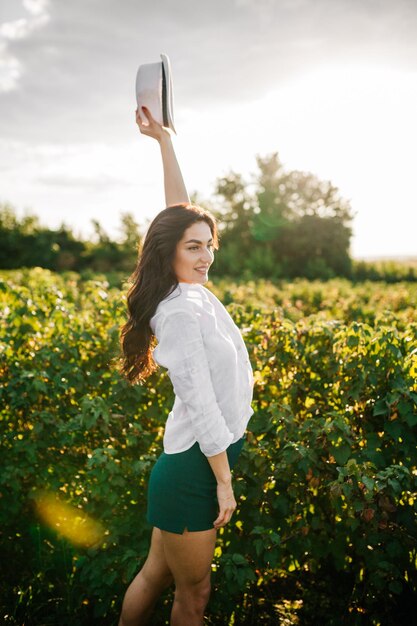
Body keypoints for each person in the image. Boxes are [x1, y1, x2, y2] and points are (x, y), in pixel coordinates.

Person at [117, 106, 255, 626]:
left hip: (196, 462)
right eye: (194, 247)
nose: (206, 257)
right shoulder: (175, 311)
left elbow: (177, 210)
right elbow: (199, 404)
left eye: (209, 246)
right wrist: (223, 480)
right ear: (169, 252)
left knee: (156, 576)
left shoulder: (186, 289)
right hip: (195, 470)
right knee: (193, 596)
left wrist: (165, 142)